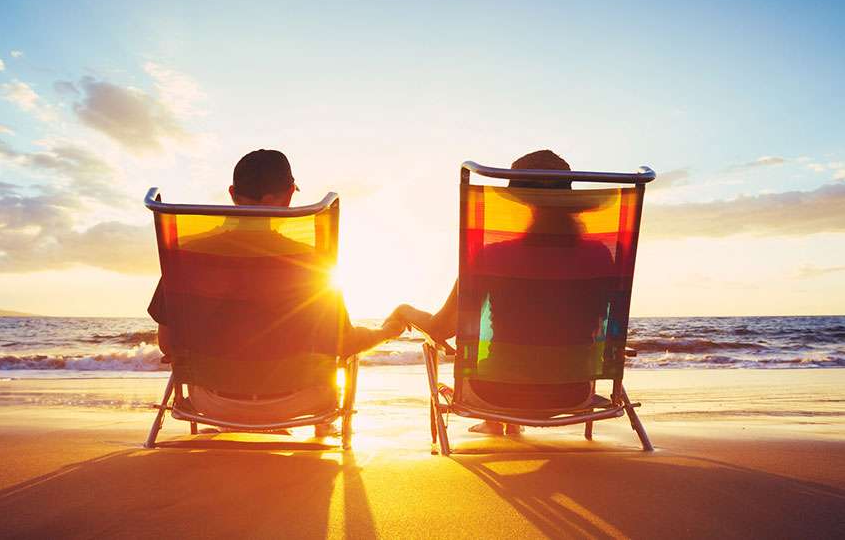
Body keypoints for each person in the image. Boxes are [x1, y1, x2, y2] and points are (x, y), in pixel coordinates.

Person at [149, 149, 403, 434]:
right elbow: (343, 343)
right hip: (299, 401)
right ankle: (321, 429)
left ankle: (234, 422)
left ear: (232, 193)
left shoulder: (189, 256)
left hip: (210, 403)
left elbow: (168, 344)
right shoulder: (312, 262)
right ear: (289, 195)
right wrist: (386, 332)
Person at [389, 150, 612, 435]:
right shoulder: (600, 256)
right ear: (570, 202)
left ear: (522, 203)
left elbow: (442, 329)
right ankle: (501, 422)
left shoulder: (493, 256)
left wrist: (404, 311)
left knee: (502, 360)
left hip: (495, 393)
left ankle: (496, 419)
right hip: (573, 392)